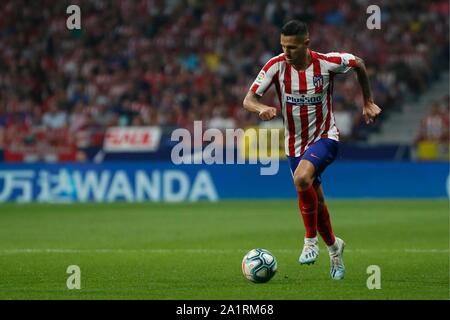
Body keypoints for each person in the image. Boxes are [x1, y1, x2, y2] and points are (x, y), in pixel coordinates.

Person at [243, 20, 381, 280]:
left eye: (292, 47)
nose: (286, 52)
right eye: (283, 46)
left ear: (306, 44)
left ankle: (309, 241)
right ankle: (334, 248)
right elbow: (248, 99)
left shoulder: (327, 63)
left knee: (301, 179)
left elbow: (359, 63)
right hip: (295, 145)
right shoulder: (275, 66)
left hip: (325, 137)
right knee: (315, 200)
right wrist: (260, 108)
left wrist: (368, 101)